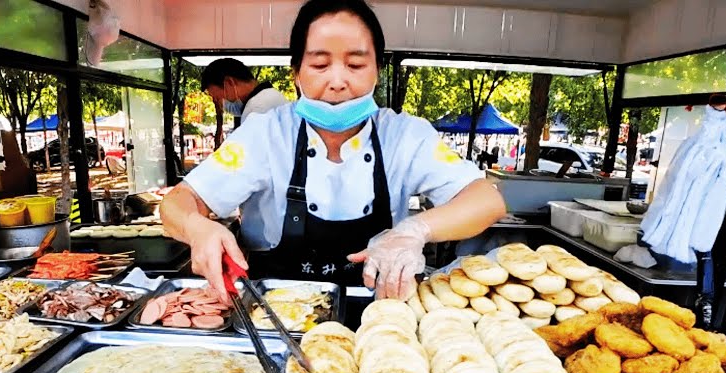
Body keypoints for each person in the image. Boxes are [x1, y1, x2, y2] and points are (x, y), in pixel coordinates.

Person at [163, 0, 507, 299]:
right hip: (276, 321)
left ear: (377, 70)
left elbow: (486, 200)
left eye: (356, 65)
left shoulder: (404, 136)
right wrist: (196, 227)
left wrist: (414, 231)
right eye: (320, 65)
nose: (338, 81)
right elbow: (176, 202)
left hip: (383, 322)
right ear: (296, 71)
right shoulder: (265, 135)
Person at [201, 58, 290, 127]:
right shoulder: (270, 97)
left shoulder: (256, 109)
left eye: (216, 97)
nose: (218, 101)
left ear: (229, 83)